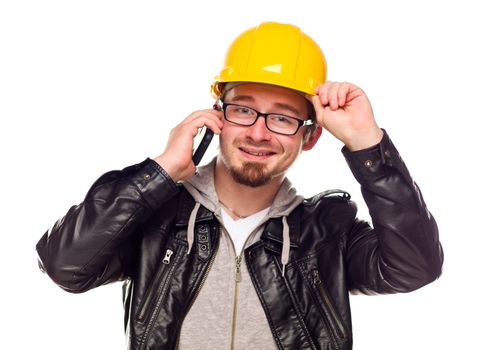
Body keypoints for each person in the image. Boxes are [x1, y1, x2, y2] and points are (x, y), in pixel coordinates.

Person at [36, 22, 443, 350]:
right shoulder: (156, 217)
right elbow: (65, 265)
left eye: (282, 118)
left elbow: (415, 267)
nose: (259, 133)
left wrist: (367, 144)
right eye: (243, 110)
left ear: (311, 137)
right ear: (217, 117)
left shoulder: (327, 232)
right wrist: (160, 172)